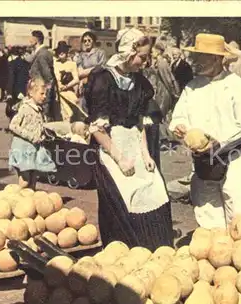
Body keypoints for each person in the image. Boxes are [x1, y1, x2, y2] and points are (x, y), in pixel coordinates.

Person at [84, 28, 174, 251]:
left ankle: (154, 251)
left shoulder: (139, 82)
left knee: (155, 191)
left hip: (134, 144)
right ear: (128, 52)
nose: (144, 62)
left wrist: (145, 153)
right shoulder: (103, 79)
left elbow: (140, 121)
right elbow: (96, 128)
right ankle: (123, 257)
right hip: (111, 148)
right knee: (121, 205)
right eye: (142, 57)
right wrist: (120, 158)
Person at [170, 33, 241, 229]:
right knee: (208, 218)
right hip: (202, 163)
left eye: (202, 57)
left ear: (218, 59)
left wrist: (220, 143)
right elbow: (178, 116)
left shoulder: (237, 86)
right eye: (196, 56)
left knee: (239, 220)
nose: (196, 62)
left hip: (234, 160)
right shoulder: (192, 87)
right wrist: (179, 126)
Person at [8, 77, 56, 190]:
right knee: (25, 180)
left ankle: (31, 199)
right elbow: (13, 125)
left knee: (34, 179)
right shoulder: (25, 108)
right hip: (23, 148)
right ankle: (18, 199)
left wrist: (43, 135)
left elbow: (38, 126)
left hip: (33, 149)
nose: (44, 96)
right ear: (31, 93)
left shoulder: (39, 109)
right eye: (42, 93)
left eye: (45, 94)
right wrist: (30, 135)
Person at [53, 41, 86, 122]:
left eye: (63, 51)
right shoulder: (54, 64)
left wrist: (66, 86)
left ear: (67, 52)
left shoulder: (72, 64)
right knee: (60, 114)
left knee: (70, 114)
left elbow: (76, 79)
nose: (61, 53)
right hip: (57, 93)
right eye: (59, 51)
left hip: (68, 92)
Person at [74, 31, 107, 110]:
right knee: (85, 107)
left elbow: (102, 68)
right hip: (85, 85)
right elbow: (79, 71)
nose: (87, 43)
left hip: (97, 85)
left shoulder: (100, 53)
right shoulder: (82, 55)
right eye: (84, 41)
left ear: (93, 41)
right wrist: (94, 68)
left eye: (89, 40)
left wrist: (88, 71)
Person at [29, 30, 57, 121]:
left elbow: (48, 77)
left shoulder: (42, 54)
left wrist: (46, 98)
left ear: (35, 40)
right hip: (39, 90)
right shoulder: (41, 52)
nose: (29, 40)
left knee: (43, 119)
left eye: (31, 38)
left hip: (41, 92)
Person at [6, 46, 30, 119]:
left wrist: (9, 93)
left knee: (14, 109)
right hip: (25, 89)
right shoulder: (26, 63)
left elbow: (11, 79)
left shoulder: (12, 64)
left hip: (15, 90)